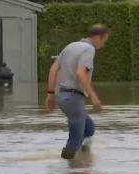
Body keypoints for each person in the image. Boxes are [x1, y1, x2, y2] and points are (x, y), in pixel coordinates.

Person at [44, 24, 109, 160]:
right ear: (97, 37)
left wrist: (50, 94)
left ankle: (83, 160)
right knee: (76, 136)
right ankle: (67, 168)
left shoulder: (71, 46)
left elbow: (53, 69)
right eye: (104, 41)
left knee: (89, 128)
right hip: (73, 97)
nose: (103, 45)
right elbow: (81, 73)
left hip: (62, 96)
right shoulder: (89, 49)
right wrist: (94, 97)